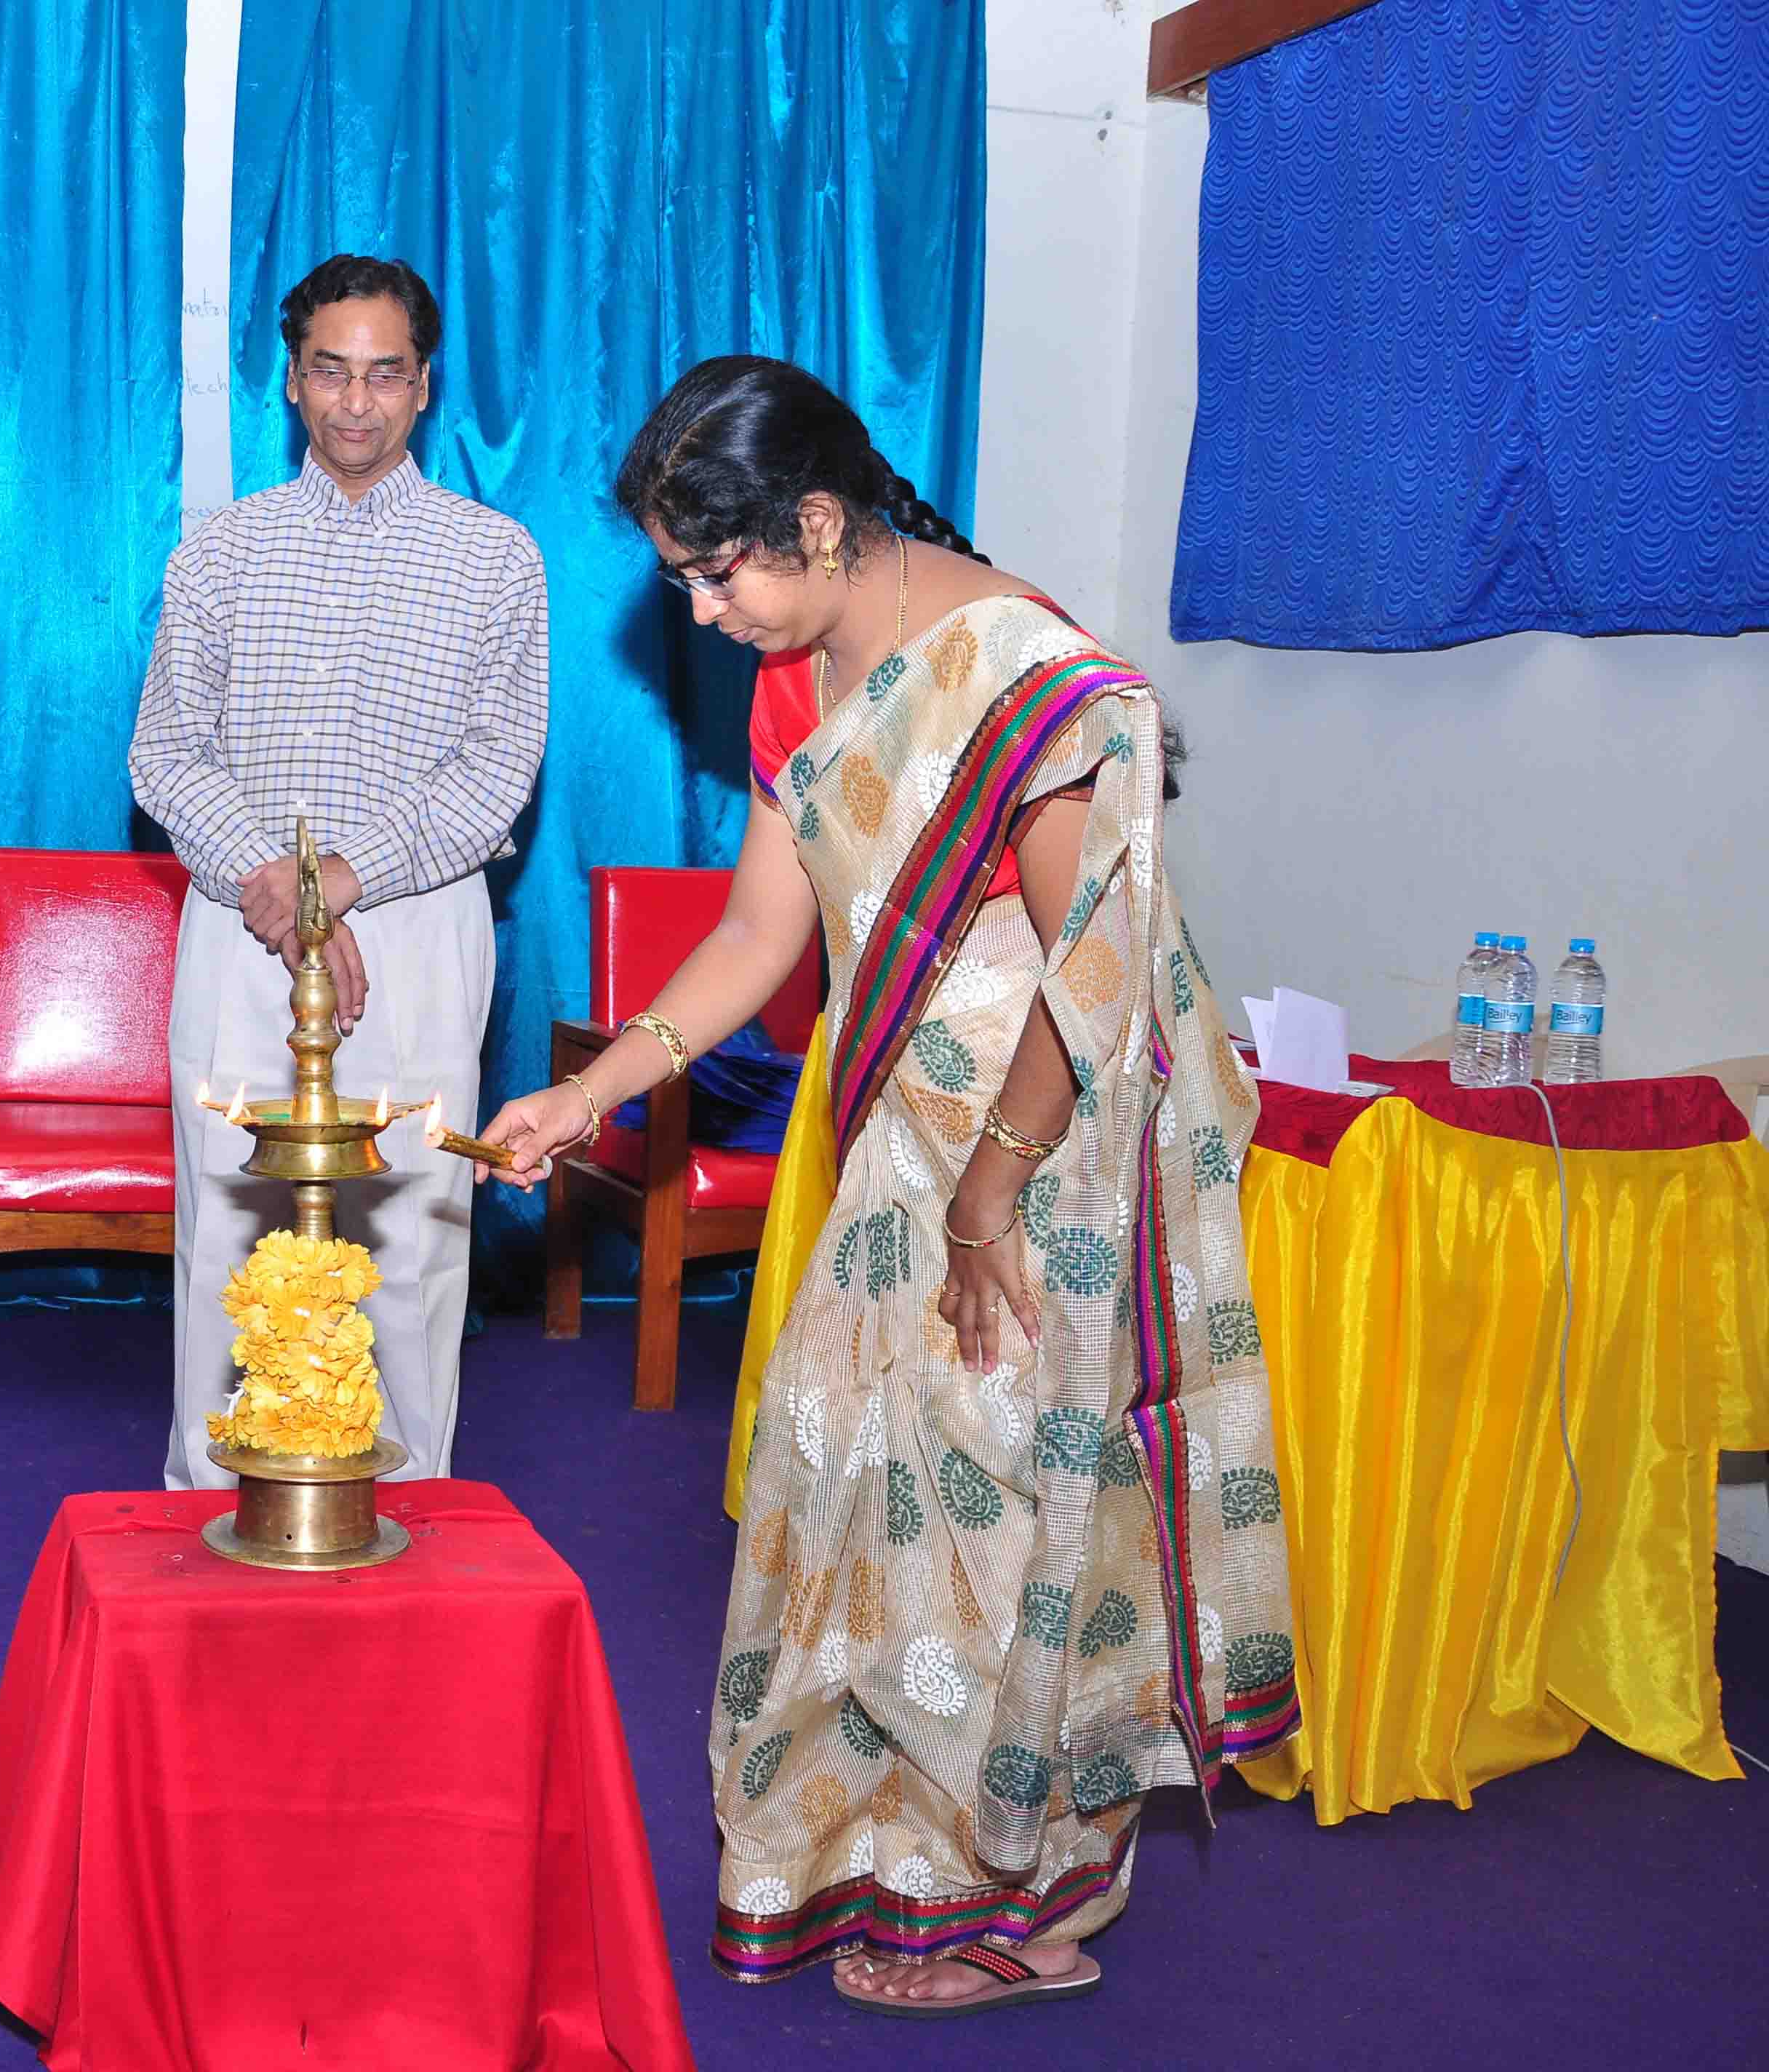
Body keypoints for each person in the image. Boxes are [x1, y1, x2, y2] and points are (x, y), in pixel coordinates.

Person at [481, 356, 1295, 2018]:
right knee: (863, 1493)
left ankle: (1015, 1897)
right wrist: (588, 1091)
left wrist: (989, 1200)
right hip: (899, 1159)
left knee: (1001, 1515)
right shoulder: (801, 678)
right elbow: (757, 936)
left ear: (816, 519)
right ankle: (897, 1848)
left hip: (1038, 1159)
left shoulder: (1032, 678)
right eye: (681, 580)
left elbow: (1096, 973)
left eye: (717, 573)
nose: (701, 614)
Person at [129, 253, 548, 1489]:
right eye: (331, 371)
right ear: (292, 380)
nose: (356, 402)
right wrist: (281, 887)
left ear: (424, 386)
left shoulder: (494, 557)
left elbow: (500, 766)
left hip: (416, 927)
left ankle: (409, 1509)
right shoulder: (221, 551)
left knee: (410, 1232)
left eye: (385, 374)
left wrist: (343, 883)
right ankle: (213, 1501)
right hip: (238, 922)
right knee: (231, 1227)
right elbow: (164, 752)